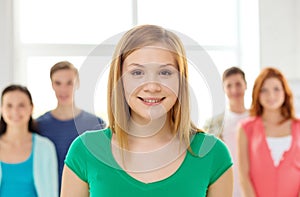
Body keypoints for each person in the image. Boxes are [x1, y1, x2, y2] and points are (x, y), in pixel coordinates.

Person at [60, 24, 233, 196]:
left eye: (165, 72)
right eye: (137, 73)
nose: (152, 86)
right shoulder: (84, 152)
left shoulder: (214, 155)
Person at [36, 61, 106, 191]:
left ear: (78, 83)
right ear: (52, 85)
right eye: (58, 83)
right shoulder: (39, 126)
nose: (64, 89)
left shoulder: (96, 124)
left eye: (69, 83)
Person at [237, 67, 300, 197]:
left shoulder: (298, 126)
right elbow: (244, 175)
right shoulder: (245, 128)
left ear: (285, 92)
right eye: (264, 90)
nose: (271, 95)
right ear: (257, 94)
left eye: (276, 89)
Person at [0, 84, 58, 197]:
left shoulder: (45, 147)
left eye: (21, 105)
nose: (15, 111)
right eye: (9, 105)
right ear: (2, 109)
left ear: (31, 108)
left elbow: (51, 191)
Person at [203, 66, 249, 197]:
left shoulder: (257, 120)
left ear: (245, 85)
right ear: (224, 89)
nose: (234, 90)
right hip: (225, 189)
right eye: (229, 86)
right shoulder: (213, 125)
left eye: (238, 84)